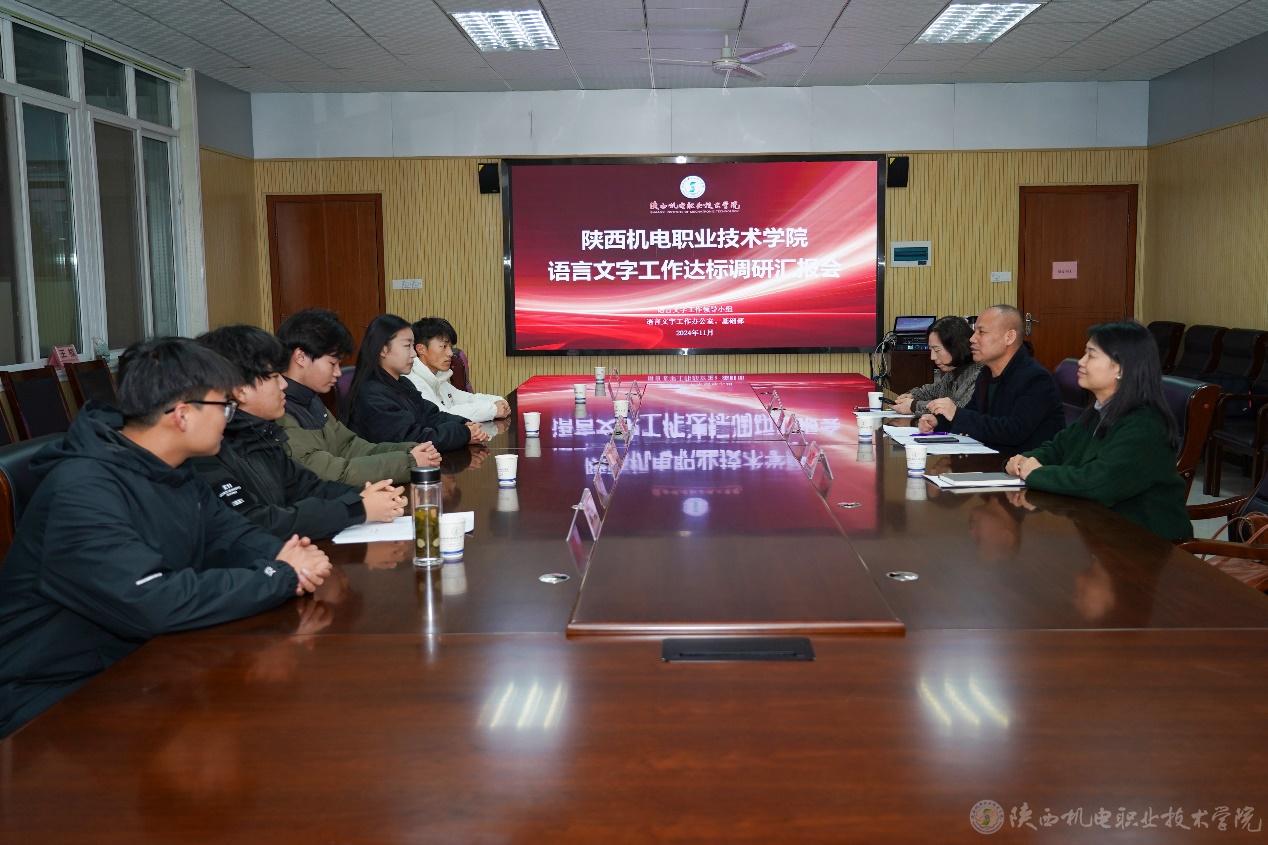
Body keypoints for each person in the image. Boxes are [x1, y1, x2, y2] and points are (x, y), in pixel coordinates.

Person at [0, 337, 331, 737]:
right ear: (182, 414)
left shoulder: (172, 469)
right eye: (223, 406)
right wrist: (278, 576)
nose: (229, 418)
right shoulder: (83, 489)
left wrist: (288, 556)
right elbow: (151, 600)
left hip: (140, 664)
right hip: (52, 697)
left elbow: (230, 534)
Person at [193, 325, 407, 539]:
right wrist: (356, 508)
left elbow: (308, 487)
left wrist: (368, 495)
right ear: (241, 390)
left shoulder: (261, 433)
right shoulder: (207, 450)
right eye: (274, 376)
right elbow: (257, 522)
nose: (284, 384)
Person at [1005, 321, 1191, 541]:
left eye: (1091, 355)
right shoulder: (1099, 411)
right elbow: (1058, 448)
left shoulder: (1145, 425)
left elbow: (1099, 482)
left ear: (1121, 368)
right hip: (1098, 528)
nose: (1081, 362)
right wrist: (1024, 460)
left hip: (1146, 541)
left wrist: (1035, 473)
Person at [277, 308, 440, 485]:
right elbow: (335, 473)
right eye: (332, 363)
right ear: (301, 357)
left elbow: (350, 446)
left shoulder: (310, 400)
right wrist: (409, 462)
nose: (338, 373)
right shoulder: (279, 410)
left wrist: (409, 450)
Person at [918, 304, 1064, 456]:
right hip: (992, 458)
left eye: (981, 332)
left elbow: (1013, 432)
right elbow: (974, 415)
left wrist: (956, 414)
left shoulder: (1036, 379)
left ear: (1009, 337)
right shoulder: (986, 373)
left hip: (1023, 464)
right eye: (975, 331)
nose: (972, 339)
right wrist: (939, 422)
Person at [343, 315, 489, 451]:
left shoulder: (403, 383)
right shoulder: (372, 394)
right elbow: (412, 439)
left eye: (413, 346)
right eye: (407, 346)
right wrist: (464, 433)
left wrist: (464, 423)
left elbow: (430, 415)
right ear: (383, 350)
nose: (414, 354)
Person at [406, 317, 509, 423]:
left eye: (450, 347)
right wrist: (493, 410)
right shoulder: (411, 382)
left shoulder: (437, 377)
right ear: (421, 349)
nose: (450, 353)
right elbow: (442, 415)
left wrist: (498, 400)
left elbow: (467, 398)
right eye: (444, 346)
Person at [892, 316, 982, 415]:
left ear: (957, 346)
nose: (932, 357)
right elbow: (932, 390)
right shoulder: (952, 372)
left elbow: (959, 411)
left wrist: (913, 406)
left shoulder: (980, 375)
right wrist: (911, 395)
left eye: (937, 350)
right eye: (931, 350)